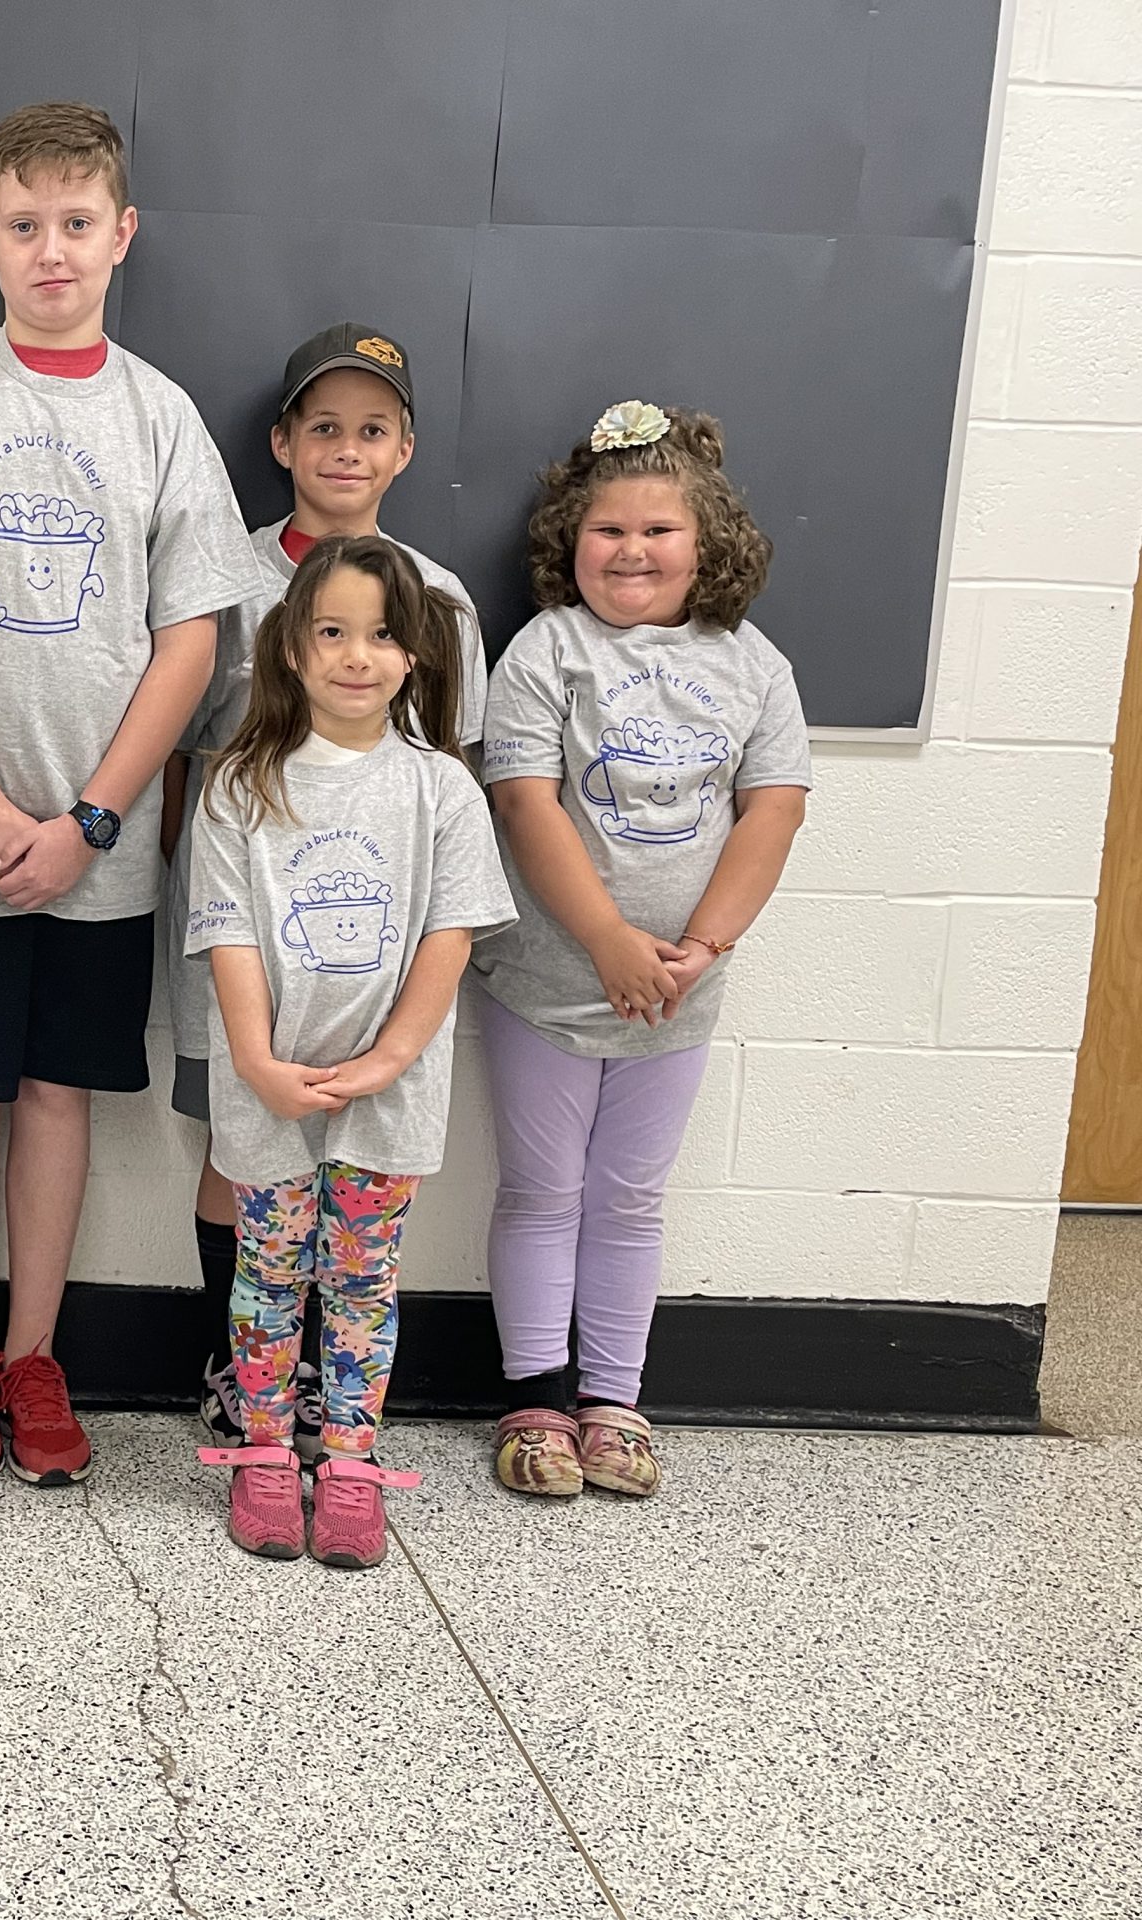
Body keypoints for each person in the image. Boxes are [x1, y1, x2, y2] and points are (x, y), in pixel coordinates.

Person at [0, 100, 269, 1484]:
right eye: (24, 227)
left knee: (53, 1098)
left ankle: (36, 1355)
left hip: (98, 844)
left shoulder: (159, 421)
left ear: (122, 236)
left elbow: (191, 639)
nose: (51, 251)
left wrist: (93, 815)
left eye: (76, 225)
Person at [477, 401, 811, 1500]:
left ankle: (614, 1401)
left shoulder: (753, 666)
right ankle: (534, 1398)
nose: (630, 551)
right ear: (568, 542)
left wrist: (697, 946)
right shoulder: (543, 652)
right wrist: (610, 941)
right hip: (545, 983)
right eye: (606, 530)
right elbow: (525, 804)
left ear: (705, 543)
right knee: (539, 1191)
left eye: (657, 531)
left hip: (678, 994)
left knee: (627, 1198)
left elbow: (770, 811)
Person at [167, 323, 490, 1452]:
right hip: (248, 922)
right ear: (281, 442)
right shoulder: (224, 574)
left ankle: (328, 1386)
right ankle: (241, 1371)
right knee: (238, 1143)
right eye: (322, 427)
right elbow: (186, 741)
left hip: (375, 954)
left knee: (354, 1187)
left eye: (371, 429)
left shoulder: (437, 598)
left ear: (404, 449)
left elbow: (454, 762)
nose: (344, 449)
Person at [185, 536, 512, 1567]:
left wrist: (388, 1061)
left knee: (363, 1279)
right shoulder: (242, 784)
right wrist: (255, 1061)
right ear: (290, 647)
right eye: (331, 631)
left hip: (387, 1093)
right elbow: (226, 936)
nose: (355, 656)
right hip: (268, 1089)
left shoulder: (441, 791)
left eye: (379, 634)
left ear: (412, 654)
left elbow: (447, 937)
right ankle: (267, 1453)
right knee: (268, 1273)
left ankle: (352, 1459)